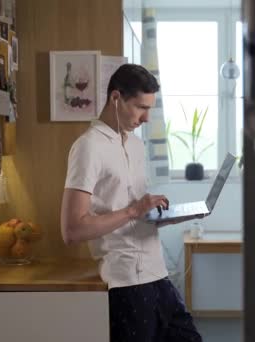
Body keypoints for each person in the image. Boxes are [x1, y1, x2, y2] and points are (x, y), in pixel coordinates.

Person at [61, 64, 203, 342]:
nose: (147, 117)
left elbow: (134, 212)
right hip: (125, 282)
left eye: (149, 108)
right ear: (116, 98)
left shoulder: (135, 145)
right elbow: (72, 230)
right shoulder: (88, 147)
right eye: (140, 107)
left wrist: (161, 214)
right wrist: (134, 210)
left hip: (157, 273)